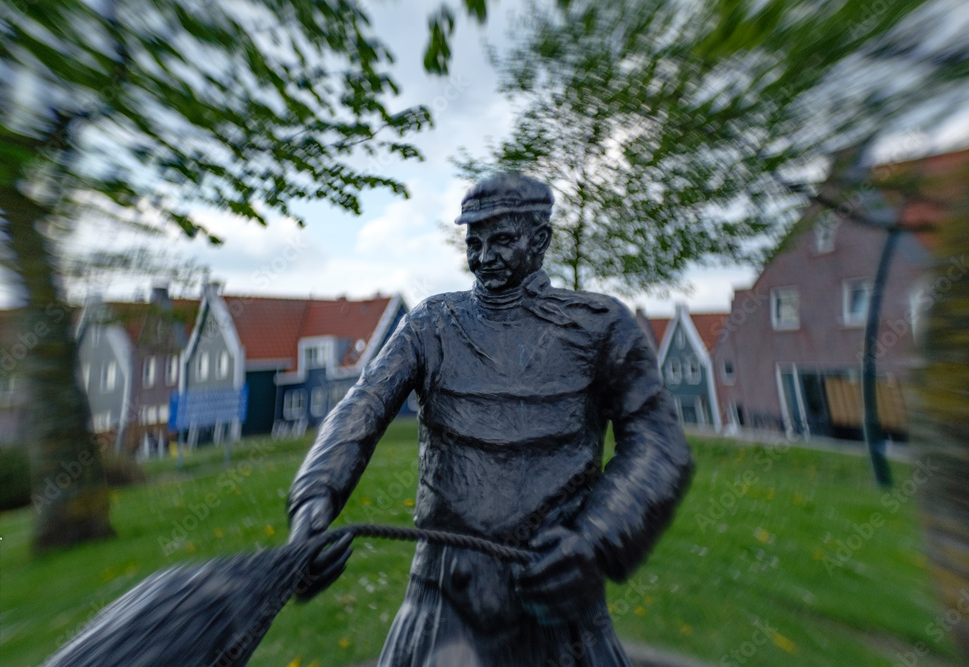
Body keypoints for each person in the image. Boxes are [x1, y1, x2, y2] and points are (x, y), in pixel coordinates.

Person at [287, 173, 694, 666]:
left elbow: (657, 440)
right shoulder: (430, 324)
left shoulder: (601, 325)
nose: (483, 258)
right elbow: (360, 409)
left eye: (501, 240)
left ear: (541, 240)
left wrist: (595, 540)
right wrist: (314, 501)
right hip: (441, 599)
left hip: (556, 598)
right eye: (474, 242)